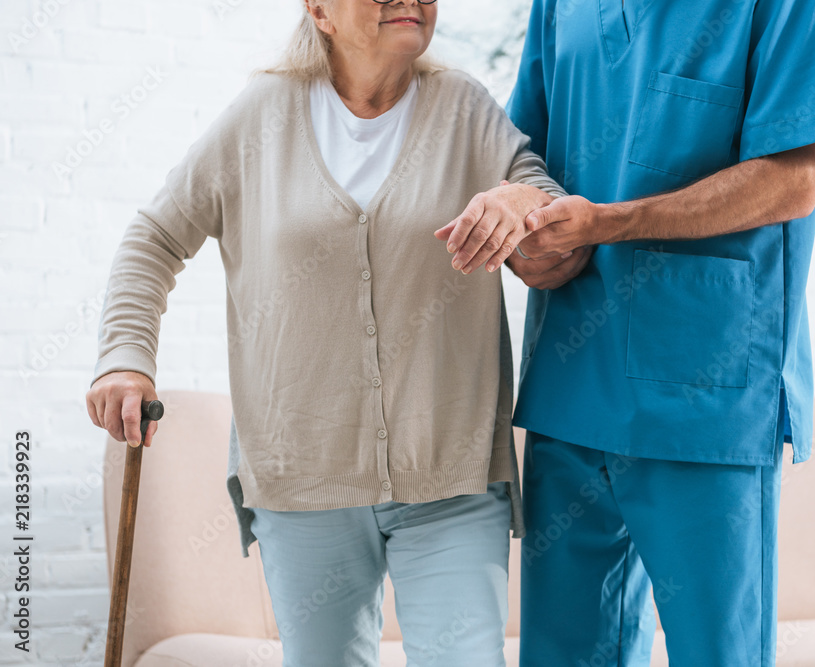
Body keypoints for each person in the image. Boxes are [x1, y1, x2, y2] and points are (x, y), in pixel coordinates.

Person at [85, 1, 567, 664]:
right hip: (302, 480)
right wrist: (125, 358)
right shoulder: (262, 115)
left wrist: (527, 199)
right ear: (320, 10)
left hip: (451, 477)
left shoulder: (463, 109)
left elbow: (548, 205)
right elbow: (155, 236)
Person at [440, 0, 815, 664]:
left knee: (715, 652)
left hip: (706, 389)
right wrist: (525, 242)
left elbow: (793, 178)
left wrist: (607, 222)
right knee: (564, 654)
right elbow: (531, 168)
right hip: (572, 387)